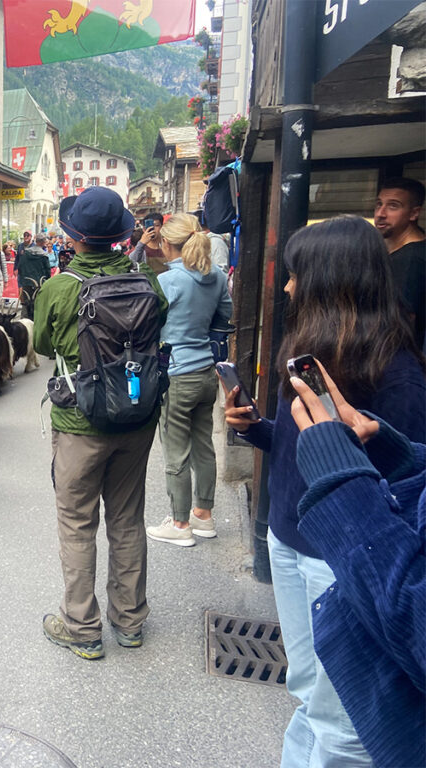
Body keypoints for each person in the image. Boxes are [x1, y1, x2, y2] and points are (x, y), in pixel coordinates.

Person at [224, 215, 425, 768]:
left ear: (331, 281)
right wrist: (256, 429)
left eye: (296, 275)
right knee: (307, 689)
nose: (288, 287)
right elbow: (304, 448)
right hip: (289, 538)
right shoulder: (308, 353)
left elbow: (405, 491)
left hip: (342, 559)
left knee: (343, 722)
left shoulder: (397, 377)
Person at [34, 187, 167, 660]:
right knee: (127, 518)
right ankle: (129, 622)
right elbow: (159, 325)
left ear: (74, 236)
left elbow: (43, 346)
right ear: (121, 234)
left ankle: (82, 627)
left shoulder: (60, 287)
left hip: (79, 420)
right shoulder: (146, 280)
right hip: (137, 416)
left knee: (77, 523)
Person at [289, 364, 425, 768]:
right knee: (309, 706)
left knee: (339, 736)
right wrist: (391, 454)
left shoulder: (403, 381)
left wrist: (341, 484)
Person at [145, 214, 233, 547]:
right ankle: (203, 515)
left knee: (176, 453)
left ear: (166, 243)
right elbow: (225, 317)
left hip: (176, 375)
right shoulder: (216, 277)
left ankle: (180, 523)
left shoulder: (167, 281)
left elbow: (148, 324)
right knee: (203, 447)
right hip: (206, 373)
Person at [374, 177, 425, 349]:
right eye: (379, 204)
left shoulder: (411, 259)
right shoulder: (395, 253)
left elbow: (403, 322)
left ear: (414, 213)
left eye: (393, 206)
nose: (381, 213)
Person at [18, 232, 53, 320]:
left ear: (36, 241)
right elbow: (47, 271)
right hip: (40, 284)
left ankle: (25, 323)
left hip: (27, 283)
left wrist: (23, 280)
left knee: (26, 305)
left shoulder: (26, 253)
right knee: (39, 306)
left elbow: (20, 267)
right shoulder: (44, 256)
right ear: (43, 242)